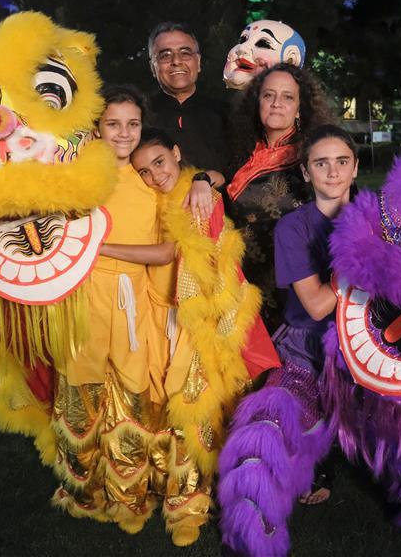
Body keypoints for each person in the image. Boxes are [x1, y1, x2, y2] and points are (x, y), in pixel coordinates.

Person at [97, 127, 279, 545]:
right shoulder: (162, 197)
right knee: (161, 407)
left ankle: (190, 507)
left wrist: (102, 248)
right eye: (144, 170)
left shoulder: (198, 198)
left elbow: (169, 255)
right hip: (158, 320)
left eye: (159, 162)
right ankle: (166, 489)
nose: (154, 175)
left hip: (195, 325)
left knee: (192, 412)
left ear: (177, 153)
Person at [217, 125, 358, 555]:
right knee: (263, 430)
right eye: (321, 163)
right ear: (306, 171)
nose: (332, 172)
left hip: (370, 342)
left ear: (355, 168)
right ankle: (254, 533)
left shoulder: (379, 216)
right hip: (307, 344)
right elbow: (316, 306)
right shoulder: (293, 228)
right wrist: (360, 259)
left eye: (342, 162)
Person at [51, 85, 167, 538]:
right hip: (81, 301)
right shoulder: (79, 177)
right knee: (81, 396)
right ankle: (85, 491)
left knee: (132, 398)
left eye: (132, 124)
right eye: (113, 124)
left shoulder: (150, 178)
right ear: (98, 128)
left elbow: (167, 247)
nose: (123, 133)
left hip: (132, 302)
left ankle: (130, 495)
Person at [225, 62, 334, 328]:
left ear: (300, 108)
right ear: (257, 102)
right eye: (268, 95)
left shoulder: (315, 158)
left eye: (288, 97)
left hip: (297, 295)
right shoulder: (239, 152)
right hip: (243, 291)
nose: (276, 103)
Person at [144, 21, 227, 223]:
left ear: (198, 62)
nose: (176, 61)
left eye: (185, 53)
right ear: (153, 67)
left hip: (220, 224)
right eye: (164, 55)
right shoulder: (140, 116)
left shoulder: (226, 113)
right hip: (155, 224)